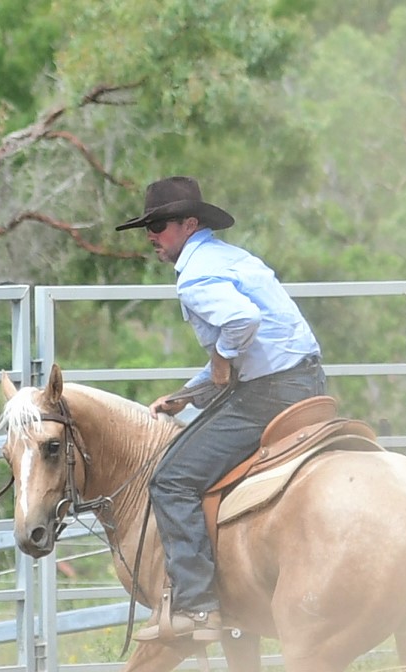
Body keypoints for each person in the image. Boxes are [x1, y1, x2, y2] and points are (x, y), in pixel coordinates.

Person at [115, 176, 327, 644]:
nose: (151, 236)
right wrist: (190, 393)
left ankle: (196, 606)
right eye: (148, 227)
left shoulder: (195, 275)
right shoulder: (232, 258)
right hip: (306, 381)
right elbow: (239, 354)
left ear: (189, 224)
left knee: (171, 480)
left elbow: (241, 323)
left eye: (159, 226)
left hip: (269, 394)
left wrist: (221, 357)